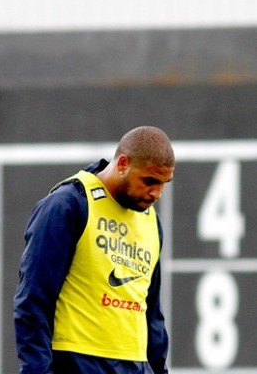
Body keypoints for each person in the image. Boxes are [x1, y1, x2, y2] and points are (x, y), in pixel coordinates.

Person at [13, 125, 175, 374]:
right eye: (150, 181)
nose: (157, 193)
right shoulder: (68, 204)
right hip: (78, 363)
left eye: (164, 183)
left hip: (135, 365)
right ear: (122, 164)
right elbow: (32, 302)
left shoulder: (151, 221)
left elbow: (151, 313)